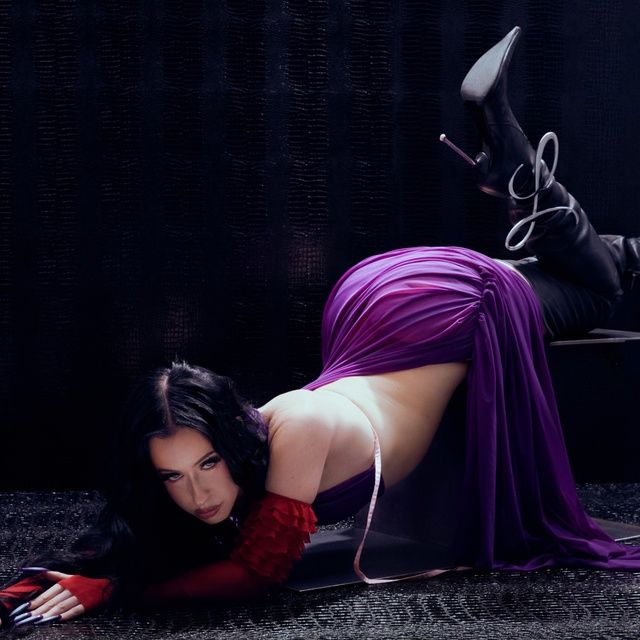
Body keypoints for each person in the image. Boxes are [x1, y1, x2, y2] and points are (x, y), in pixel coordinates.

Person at [2, 26, 640, 630]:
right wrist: (65, 578)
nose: (198, 494)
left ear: (228, 438)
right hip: (374, 310)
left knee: (598, 293)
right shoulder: (245, 442)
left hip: (447, 314)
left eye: (207, 464)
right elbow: (144, 535)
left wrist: (115, 592)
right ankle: (563, 208)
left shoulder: (297, 430)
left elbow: (258, 575)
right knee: (604, 266)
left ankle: (523, 167)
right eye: (174, 476)